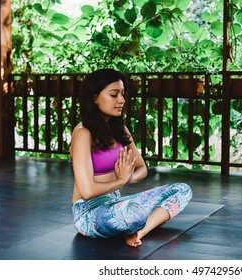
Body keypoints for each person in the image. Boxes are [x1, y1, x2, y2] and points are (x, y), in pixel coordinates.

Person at [70, 68, 192, 247]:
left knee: (182, 190)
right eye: (114, 94)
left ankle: (139, 232)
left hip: (116, 202)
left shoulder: (120, 130)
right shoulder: (82, 133)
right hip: (89, 212)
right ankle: (147, 220)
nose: (121, 100)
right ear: (95, 97)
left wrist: (128, 177)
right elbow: (87, 191)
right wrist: (121, 179)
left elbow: (141, 169)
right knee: (134, 213)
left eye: (122, 94)